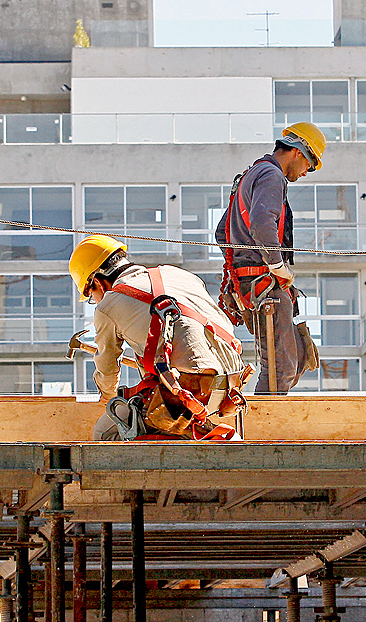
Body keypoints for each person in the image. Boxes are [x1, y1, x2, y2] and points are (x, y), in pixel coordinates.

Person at [68, 234, 248, 441]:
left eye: (91, 295)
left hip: (190, 393)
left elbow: (108, 372)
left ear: (98, 283)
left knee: (105, 430)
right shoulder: (177, 274)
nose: (95, 300)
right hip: (232, 386)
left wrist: (108, 398)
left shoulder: (109, 305)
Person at [216, 122, 325, 394]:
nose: (306, 173)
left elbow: (222, 232)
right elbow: (263, 222)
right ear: (299, 152)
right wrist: (276, 265)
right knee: (281, 369)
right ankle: (262, 431)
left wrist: (241, 266)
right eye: (309, 166)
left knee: (297, 356)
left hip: (253, 287)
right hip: (265, 288)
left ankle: (263, 423)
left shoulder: (250, 175)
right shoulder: (271, 175)